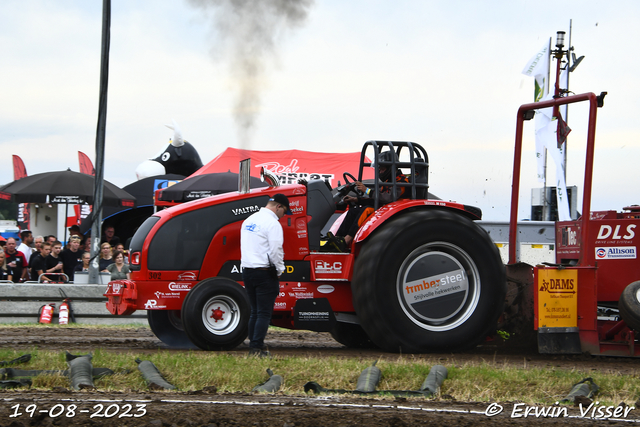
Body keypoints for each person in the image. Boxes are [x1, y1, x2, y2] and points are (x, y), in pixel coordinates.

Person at [240, 193, 289, 358]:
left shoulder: (249, 220)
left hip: (248, 270)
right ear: (278, 207)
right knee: (263, 313)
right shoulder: (272, 224)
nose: (283, 216)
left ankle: (253, 346)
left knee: (255, 311)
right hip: (264, 272)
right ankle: (256, 348)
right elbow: (276, 250)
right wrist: (279, 270)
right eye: (284, 212)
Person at [334, 150, 409, 250]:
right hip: (384, 209)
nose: (380, 172)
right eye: (379, 169)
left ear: (391, 168)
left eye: (382, 169)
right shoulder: (387, 181)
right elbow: (376, 198)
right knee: (353, 211)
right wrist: (356, 199)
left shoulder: (402, 181)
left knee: (367, 210)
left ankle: (347, 240)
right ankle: (337, 239)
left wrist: (366, 190)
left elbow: (387, 198)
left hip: (395, 211)